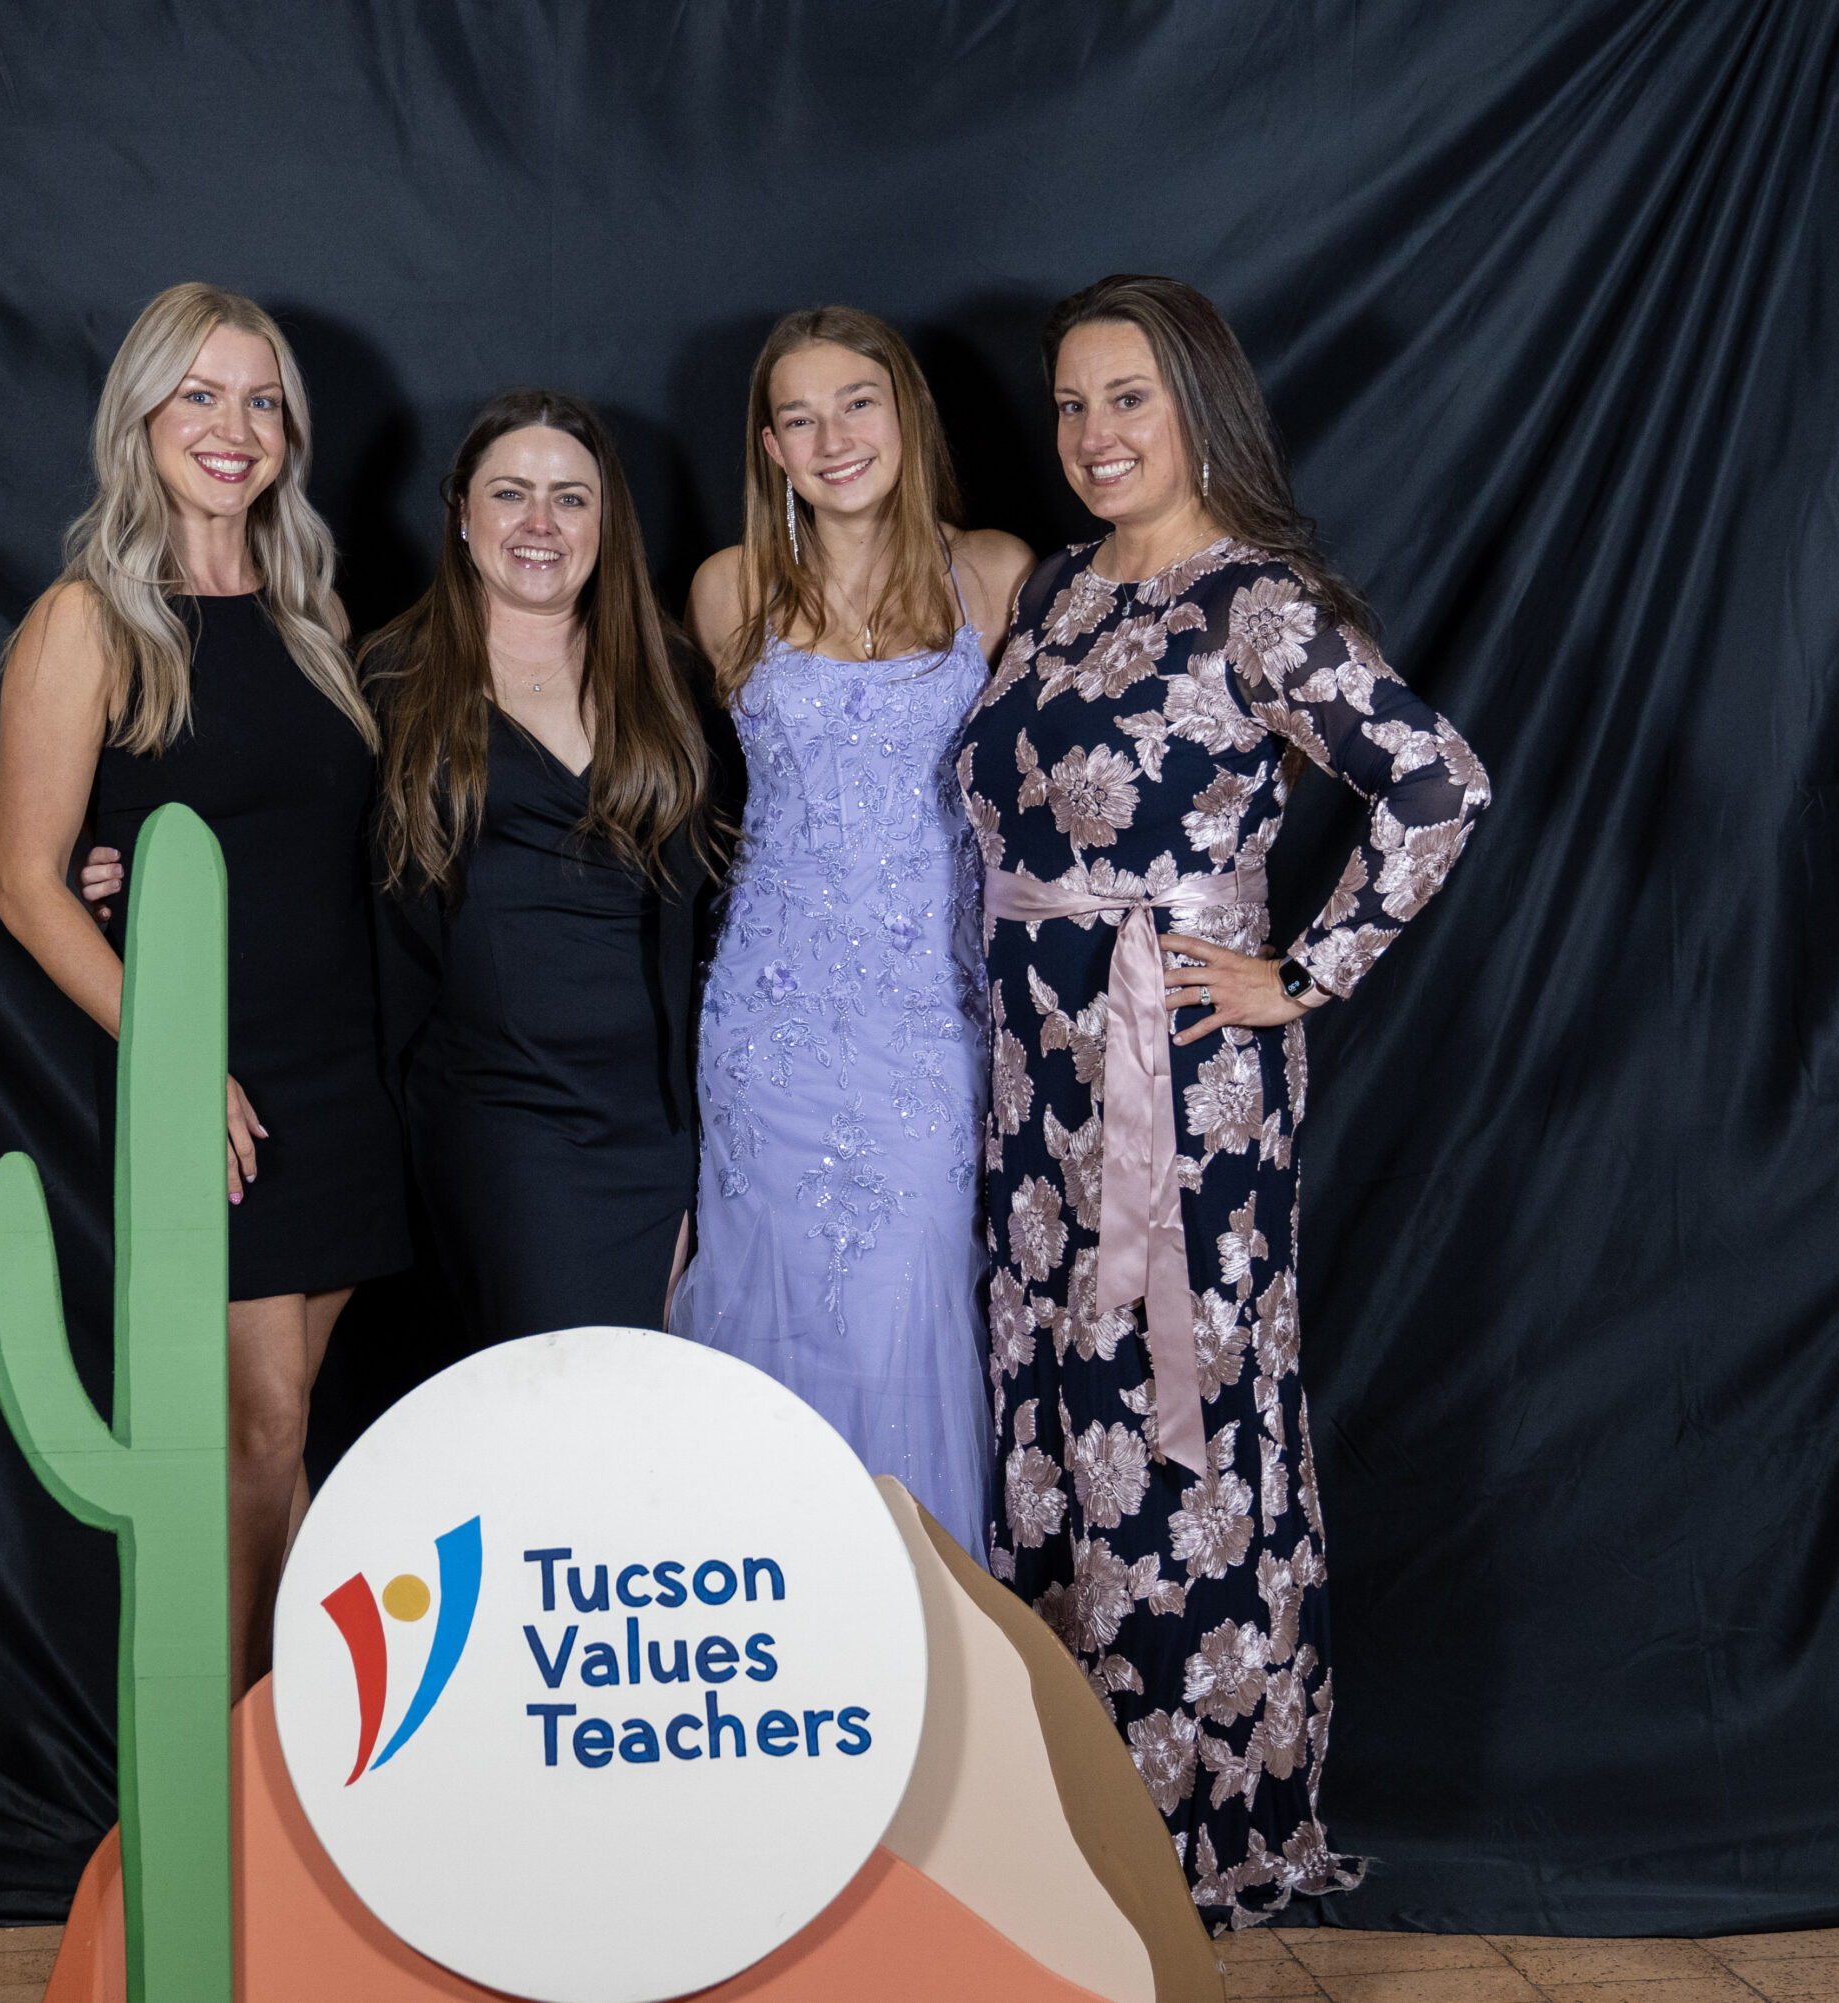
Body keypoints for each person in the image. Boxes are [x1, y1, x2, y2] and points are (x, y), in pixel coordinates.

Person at [955, 273, 1489, 1925]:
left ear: (1200, 405)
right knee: (1055, 1420)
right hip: (1031, 1087)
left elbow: (1437, 783)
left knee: (1169, 1420)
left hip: (1180, 1088)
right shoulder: (1058, 588)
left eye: (1128, 396)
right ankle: (1066, 1803)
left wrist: (1304, 970)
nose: (1093, 432)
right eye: (1070, 403)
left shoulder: (1258, 603)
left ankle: (1195, 1819)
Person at [0, 282, 406, 1691]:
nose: (234, 427)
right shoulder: (85, 621)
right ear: (142, 418)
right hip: (211, 1077)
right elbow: (29, 884)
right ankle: (221, 1762)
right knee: (259, 1426)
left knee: (283, 1439)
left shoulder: (311, 611)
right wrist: (173, 1061)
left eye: (261, 400)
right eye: (201, 396)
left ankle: (294, 1741)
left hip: (343, 1073)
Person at [672, 306, 1032, 1555]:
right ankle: (770, 1621)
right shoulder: (728, 588)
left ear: (905, 414)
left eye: (856, 404)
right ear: (770, 447)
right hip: (767, 1034)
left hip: (931, 1026)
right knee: (767, 1308)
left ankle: (926, 1631)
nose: (833, 439)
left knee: (908, 1307)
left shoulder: (994, 574)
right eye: (800, 417)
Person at [366, 389, 737, 1345]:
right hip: (498, 1116)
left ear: (606, 524)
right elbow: (294, 851)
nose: (540, 522)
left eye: (571, 498)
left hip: (657, 1121)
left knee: (637, 1399)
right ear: (462, 513)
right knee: (553, 1390)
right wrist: (117, 871)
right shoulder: (392, 682)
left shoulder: (670, 677)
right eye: (510, 493)